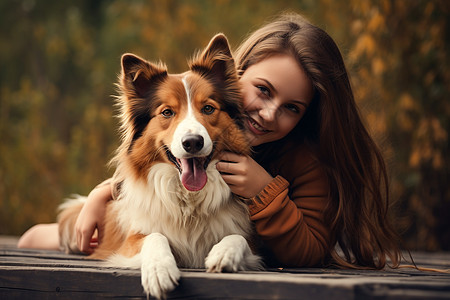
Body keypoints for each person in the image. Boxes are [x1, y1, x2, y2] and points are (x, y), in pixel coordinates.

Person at [18, 12, 401, 269]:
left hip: (234, 246)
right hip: (147, 227)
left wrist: (265, 190)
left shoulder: (305, 161)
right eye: (263, 91)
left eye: (292, 108)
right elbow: (151, 154)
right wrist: (104, 193)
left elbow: (308, 249)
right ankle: (47, 232)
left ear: (308, 115)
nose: (268, 114)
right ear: (238, 75)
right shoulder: (206, 110)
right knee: (66, 234)